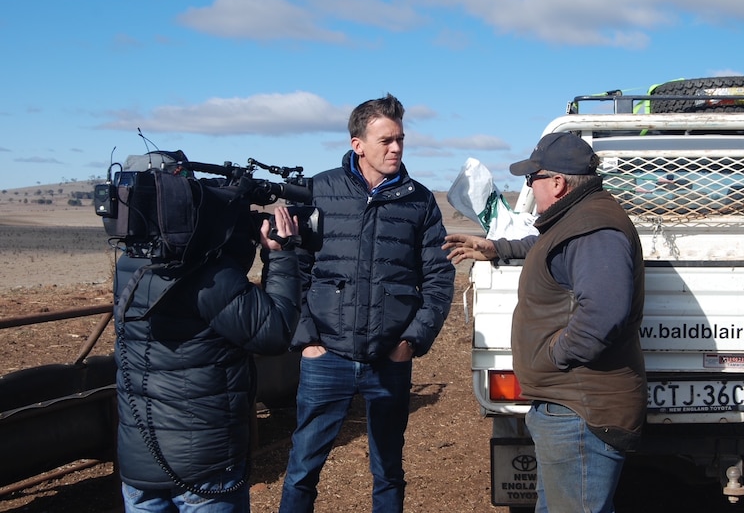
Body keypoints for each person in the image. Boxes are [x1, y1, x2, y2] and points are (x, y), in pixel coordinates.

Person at [443, 132, 647, 513]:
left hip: (580, 410)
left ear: (557, 182)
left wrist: (554, 355)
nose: (528, 187)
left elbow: (604, 314)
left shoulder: (594, 229)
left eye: (531, 179)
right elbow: (550, 250)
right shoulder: (576, 220)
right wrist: (498, 248)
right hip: (569, 405)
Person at [278, 93, 455, 513]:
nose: (395, 148)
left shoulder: (419, 200)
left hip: (389, 357)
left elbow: (439, 276)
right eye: (385, 140)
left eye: (400, 139)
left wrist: (411, 341)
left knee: (388, 470)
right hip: (327, 356)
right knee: (303, 467)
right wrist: (307, 339)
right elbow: (294, 270)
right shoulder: (318, 191)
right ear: (357, 144)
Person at [114, 204, 302, 513]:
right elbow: (275, 332)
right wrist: (281, 255)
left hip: (139, 462)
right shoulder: (212, 276)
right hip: (205, 466)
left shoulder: (130, 266)